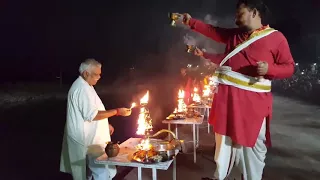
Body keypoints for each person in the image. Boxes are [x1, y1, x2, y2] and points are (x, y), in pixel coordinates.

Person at [181, 0, 295, 179]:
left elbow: (289, 67)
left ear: (254, 13)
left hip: (253, 106)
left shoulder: (276, 38)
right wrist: (190, 22)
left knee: (252, 150)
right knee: (223, 148)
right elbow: (213, 31)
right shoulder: (234, 36)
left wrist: (270, 70)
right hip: (226, 103)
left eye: (240, 14)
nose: (236, 19)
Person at [60, 58, 132, 180]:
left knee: (92, 170)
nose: (99, 77)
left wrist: (105, 124)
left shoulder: (87, 85)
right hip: (87, 139)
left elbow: (94, 108)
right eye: (96, 74)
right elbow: (92, 115)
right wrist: (117, 111)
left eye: (100, 74)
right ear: (86, 73)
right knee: (100, 171)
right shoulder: (81, 89)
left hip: (90, 138)